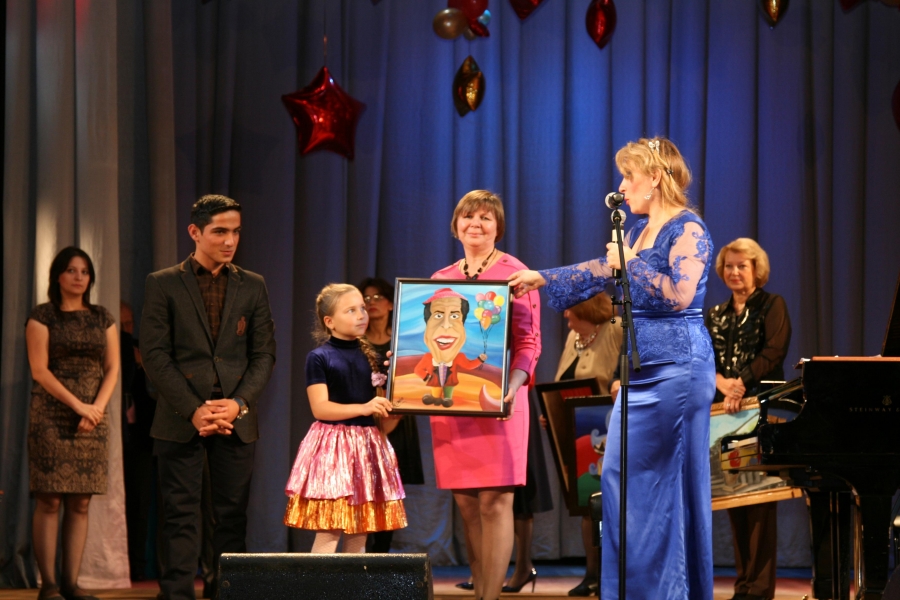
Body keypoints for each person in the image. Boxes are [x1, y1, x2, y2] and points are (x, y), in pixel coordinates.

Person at [509, 137, 716, 600]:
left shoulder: (688, 229)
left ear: (654, 177)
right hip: (642, 372)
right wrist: (542, 278)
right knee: (617, 479)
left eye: (628, 176)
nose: (621, 186)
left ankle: (669, 592)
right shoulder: (640, 231)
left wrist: (629, 263)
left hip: (679, 371)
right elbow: (601, 270)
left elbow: (678, 295)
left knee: (665, 486)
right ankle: (634, 591)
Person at [140, 194, 276, 600]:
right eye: (220, 231)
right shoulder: (163, 283)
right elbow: (155, 355)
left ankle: (227, 592)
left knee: (231, 517)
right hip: (181, 417)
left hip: (235, 419)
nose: (230, 240)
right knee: (179, 515)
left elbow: (264, 354)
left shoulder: (252, 284)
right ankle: (176, 594)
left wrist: (238, 403)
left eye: (235, 231)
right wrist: (193, 410)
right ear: (195, 232)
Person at [431, 190, 541, 600]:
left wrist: (512, 388)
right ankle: (480, 592)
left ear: (498, 227)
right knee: (467, 507)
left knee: (495, 502)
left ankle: (490, 598)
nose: (475, 224)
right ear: (456, 225)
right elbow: (428, 343)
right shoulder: (439, 280)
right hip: (452, 403)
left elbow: (529, 343)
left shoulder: (517, 274)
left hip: (501, 401)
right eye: (468, 216)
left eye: (485, 218)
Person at [283, 283, 407, 552]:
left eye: (362, 308)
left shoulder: (373, 357)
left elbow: (390, 403)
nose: (361, 315)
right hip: (334, 446)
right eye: (351, 310)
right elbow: (321, 409)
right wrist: (364, 408)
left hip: (367, 445)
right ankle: (319, 580)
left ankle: (354, 579)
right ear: (330, 322)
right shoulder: (319, 357)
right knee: (330, 527)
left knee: (360, 529)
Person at [26, 247, 119, 600]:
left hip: (92, 418)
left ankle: (71, 583)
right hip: (51, 415)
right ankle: (49, 585)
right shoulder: (42, 316)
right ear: (58, 276)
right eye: (71, 270)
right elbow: (39, 371)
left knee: (81, 502)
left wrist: (96, 409)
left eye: (85, 271)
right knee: (49, 500)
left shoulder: (102, 317)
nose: (79, 277)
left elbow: (112, 368)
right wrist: (78, 405)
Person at [706, 238, 792, 600]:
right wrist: (720, 383)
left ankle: (758, 589)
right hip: (723, 417)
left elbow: (774, 352)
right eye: (729, 266)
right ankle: (743, 585)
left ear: (757, 270)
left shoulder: (773, 305)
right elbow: (704, 358)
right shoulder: (715, 313)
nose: (734, 272)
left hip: (760, 414)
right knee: (733, 500)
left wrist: (738, 384)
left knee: (759, 501)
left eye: (742, 266)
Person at [356, 277, 424, 553]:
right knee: (363, 487)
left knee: (390, 489)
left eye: (377, 297)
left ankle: (381, 552)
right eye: (366, 299)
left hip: (399, 418)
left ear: (391, 304)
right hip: (364, 420)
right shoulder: (356, 341)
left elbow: (416, 378)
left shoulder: (402, 339)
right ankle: (362, 551)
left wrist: (395, 415)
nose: (371, 303)